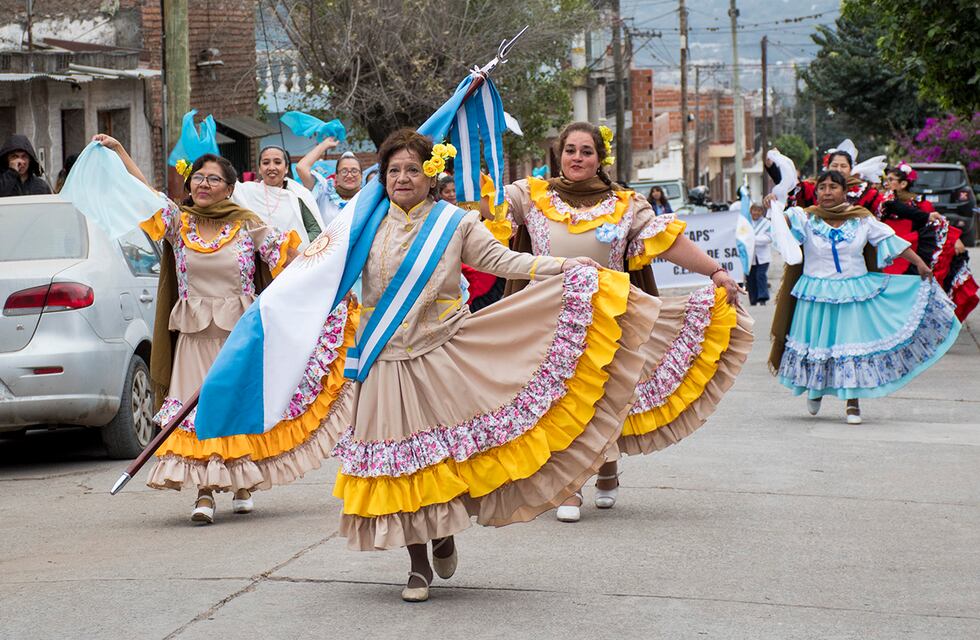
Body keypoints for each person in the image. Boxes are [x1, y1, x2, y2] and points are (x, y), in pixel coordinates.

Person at [331, 128, 659, 602]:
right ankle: (418, 564)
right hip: (384, 360)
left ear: (431, 174)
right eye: (392, 170)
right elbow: (322, 272)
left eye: (411, 169)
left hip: (443, 353)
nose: (401, 178)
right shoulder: (361, 221)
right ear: (380, 178)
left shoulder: (454, 223)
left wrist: (566, 268)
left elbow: (507, 262)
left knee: (440, 459)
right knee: (398, 463)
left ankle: (442, 532)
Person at [489, 121, 753, 523]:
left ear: (600, 158)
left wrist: (715, 271)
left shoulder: (626, 204)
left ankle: (606, 464)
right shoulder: (530, 195)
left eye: (586, 151)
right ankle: (569, 485)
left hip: (607, 316)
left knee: (603, 398)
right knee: (559, 401)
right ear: (559, 155)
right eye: (570, 150)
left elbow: (670, 244)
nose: (577, 158)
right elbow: (482, 207)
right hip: (548, 314)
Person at [93, 134, 355, 525]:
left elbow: (293, 259)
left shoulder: (248, 224)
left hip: (240, 338)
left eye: (213, 179)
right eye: (198, 177)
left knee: (237, 411)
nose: (203, 184)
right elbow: (143, 194)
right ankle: (204, 493)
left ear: (230, 188)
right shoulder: (178, 223)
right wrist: (119, 151)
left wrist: (333, 272)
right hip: (194, 338)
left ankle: (243, 484)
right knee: (199, 414)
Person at [769, 169, 960, 424]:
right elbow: (782, 225)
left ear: (844, 191)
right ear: (816, 193)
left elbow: (891, 240)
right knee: (820, 344)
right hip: (816, 293)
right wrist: (772, 206)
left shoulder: (861, 220)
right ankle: (815, 390)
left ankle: (852, 404)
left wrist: (921, 264)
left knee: (851, 346)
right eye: (822, 187)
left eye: (833, 187)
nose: (827, 191)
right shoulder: (806, 218)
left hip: (853, 292)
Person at [882, 163, 978, 320]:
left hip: (908, 251)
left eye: (891, 179)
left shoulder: (919, 204)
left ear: (903, 184)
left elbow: (937, 225)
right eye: (886, 179)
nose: (886, 183)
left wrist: (955, 240)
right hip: (887, 250)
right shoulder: (882, 202)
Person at [231, 145, 324, 247]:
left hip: (293, 258)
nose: (271, 167)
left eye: (277, 162)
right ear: (260, 169)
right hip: (255, 259)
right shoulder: (247, 192)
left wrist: (288, 245)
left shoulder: (299, 195)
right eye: (266, 163)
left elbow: (315, 231)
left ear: (286, 168)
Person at [297, 138, 363, 226]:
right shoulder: (324, 193)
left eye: (354, 171)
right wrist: (324, 145)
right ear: (336, 177)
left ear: (361, 176)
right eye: (344, 171)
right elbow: (301, 168)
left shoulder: (368, 197)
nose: (349, 175)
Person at [747, 202, 771, 305]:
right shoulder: (746, 223)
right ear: (751, 211)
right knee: (751, 278)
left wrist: (753, 239)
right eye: (754, 210)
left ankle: (762, 298)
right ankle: (753, 299)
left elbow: (769, 238)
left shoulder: (767, 223)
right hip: (749, 256)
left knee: (760, 276)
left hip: (763, 256)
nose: (756, 212)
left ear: (762, 212)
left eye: (759, 210)